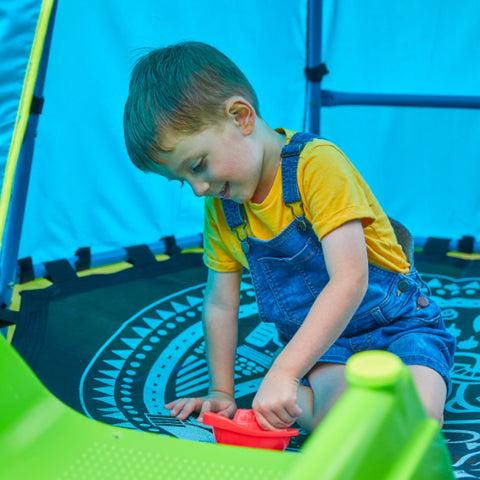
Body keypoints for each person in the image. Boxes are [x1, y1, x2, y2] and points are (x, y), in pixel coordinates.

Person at [123, 41, 456, 432]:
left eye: (198, 165)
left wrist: (283, 371)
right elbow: (220, 304)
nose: (198, 188)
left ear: (240, 117)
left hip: (398, 322)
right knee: (345, 426)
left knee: (415, 423)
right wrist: (222, 393)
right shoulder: (222, 208)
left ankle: (295, 388)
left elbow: (351, 280)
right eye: (183, 181)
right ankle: (299, 397)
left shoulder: (316, 165)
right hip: (327, 347)